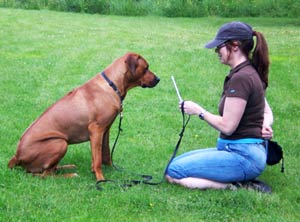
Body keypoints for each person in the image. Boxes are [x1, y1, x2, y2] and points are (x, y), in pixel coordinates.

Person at [165, 21, 274, 193]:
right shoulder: (248, 72)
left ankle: (238, 186)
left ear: (235, 45)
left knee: (174, 172)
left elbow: (227, 127)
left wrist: (198, 111)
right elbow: (266, 110)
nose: (216, 51)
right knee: (173, 165)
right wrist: (264, 123)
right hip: (240, 151)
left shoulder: (242, 78)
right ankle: (240, 179)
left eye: (220, 46)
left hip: (243, 156)